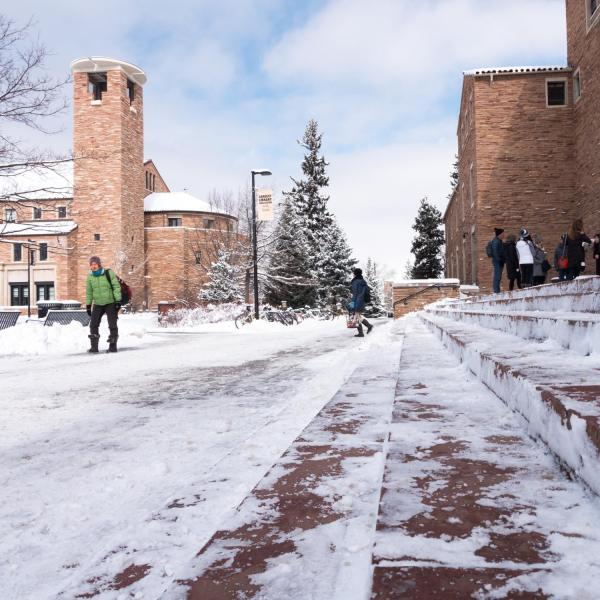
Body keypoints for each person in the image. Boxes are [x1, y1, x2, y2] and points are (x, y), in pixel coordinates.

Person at [86, 256, 122, 353]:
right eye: (91, 264)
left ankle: (113, 346)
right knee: (93, 324)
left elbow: (116, 286)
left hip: (110, 302)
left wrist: (118, 301)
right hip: (97, 304)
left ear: (99, 264)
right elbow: (89, 292)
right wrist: (88, 305)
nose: (93, 266)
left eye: (95, 264)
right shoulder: (90, 277)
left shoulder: (108, 273)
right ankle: (94, 347)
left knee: (112, 324)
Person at [350, 267, 373, 338]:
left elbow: (356, 293)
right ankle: (368, 327)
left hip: (357, 301)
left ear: (355, 274)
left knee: (356, 317)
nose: (352, 274)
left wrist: (352, 303)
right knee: (358, 316)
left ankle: (362, 332)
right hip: (361, 300)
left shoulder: (356, 282)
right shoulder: (362, 281)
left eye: (353, 273)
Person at [490, 228, 506, 293]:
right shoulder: (496, 241)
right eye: (503, 233)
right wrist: (499, 260)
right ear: (500, 234)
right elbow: (495, 252)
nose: (504, 235)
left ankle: (497, 290)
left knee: (498, 276)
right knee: (497, 276)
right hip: (497, 262)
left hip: (500, 261)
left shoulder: (499, 241)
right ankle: (496, 291)